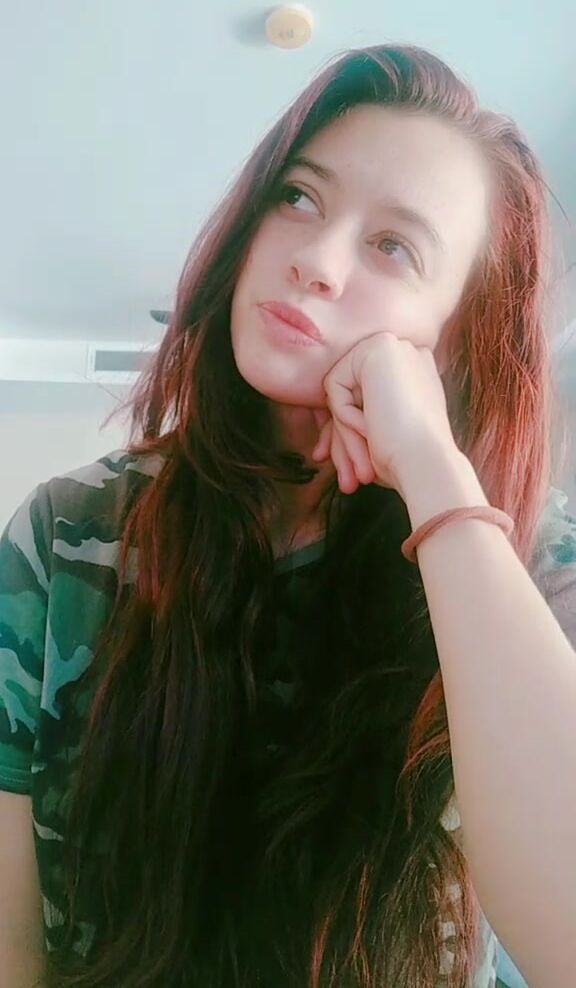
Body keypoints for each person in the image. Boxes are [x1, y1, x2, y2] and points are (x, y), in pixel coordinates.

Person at [0, 44, 575, 988]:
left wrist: (434, 473)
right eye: (298, 196)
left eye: (393, 247)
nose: (314, 259)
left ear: (456, 339)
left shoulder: (529, 561)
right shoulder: (66, 534)